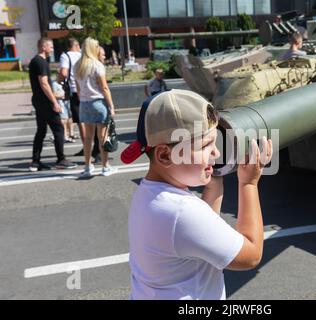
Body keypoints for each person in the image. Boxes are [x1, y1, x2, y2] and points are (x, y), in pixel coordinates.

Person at [122, 89, 273, 300]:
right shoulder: (181, 212)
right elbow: (251, 255)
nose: (216, 153)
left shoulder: (149, 194)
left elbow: (197, 236)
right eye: (205, 145)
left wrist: (213, 184)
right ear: (165, 154)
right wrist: (248, 183)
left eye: (215, 142)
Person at [28, 37, 77, 172]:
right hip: (46, 103)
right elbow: (44, 83)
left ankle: (35, 162)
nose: (53, 49)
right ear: (43, 47)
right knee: (59, 129)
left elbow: (42, 84)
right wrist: (54, 101)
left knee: (41, 131)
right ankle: (61, 159)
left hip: (39, 101)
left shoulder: (35, 61)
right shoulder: (41, 62)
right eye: (51, 46)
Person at [74, 37, 117, 177]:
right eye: (97, 46)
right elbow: (104, 87)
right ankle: (105, 166)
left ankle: (87, 166)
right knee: (102, 137)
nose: (99, 48)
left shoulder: (77, 65)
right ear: (93, 48)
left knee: (88, 138)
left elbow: (78, 88)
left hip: (84, 103)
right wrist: (111, 105)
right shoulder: (97, 65)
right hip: (98, 102)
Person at [59, 38, 83, 155]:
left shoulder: (65, 56)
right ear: (77, 45)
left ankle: (86, 146)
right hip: (86, 90)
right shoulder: (82, 55)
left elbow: (64, 72)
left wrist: (58, 82)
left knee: (81, 121)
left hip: (74, 91)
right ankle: (95, 148)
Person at [51, 79, 74, 143]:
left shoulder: (61, 82)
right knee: (63, 121)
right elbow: (51, 94)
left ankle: (65, 136)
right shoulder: (54, 84)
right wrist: (60, 96)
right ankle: (63, 136)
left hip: (63, 102)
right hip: (59, 103)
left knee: (66, 119)